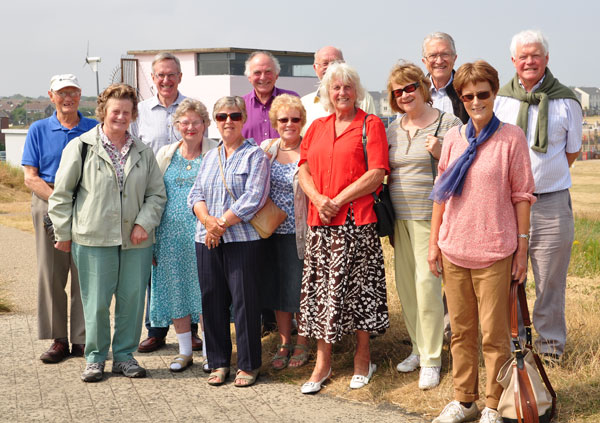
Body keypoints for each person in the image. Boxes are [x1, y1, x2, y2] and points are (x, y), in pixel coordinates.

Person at [427, 61, 535, 423]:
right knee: (460, 332)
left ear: (494, 93)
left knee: (494, 335)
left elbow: (522, 196)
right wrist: (433, 244)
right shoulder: (454, 139)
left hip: (495, 250)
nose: (476, 101)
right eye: (468, 95)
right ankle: (465, 400)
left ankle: (494, 404)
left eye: (483, 94)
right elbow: (441, 194)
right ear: (461, 97)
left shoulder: (511, 138)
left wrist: (522, 248)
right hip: (454, 249)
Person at [48, 83, 167, 382]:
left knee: (131, 300)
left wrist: (144, 223)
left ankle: (124, 357)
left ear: (133, 115)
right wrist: (63, 232)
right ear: (103, 112)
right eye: (116, 111)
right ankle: (95, 358)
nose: (121, 117)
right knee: (96, 302)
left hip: (135, 240)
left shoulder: (143, 151)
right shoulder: (82, 146)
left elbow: (157, 195)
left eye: (127, 112)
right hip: (93, 238)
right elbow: (61, 195)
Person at [297, 62, 389, 394]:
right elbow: (303, 167)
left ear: (357, 91)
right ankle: (323, 363)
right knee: (323, 294)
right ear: (327, 93)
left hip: (357, 221)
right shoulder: (317, 126)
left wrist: (338, 198)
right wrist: (319, 199)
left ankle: (363, 358)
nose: (342, 93)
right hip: (321, 224)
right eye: (335, 87)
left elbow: (377, 172)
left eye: (348, 87)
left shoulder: (371, 124)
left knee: (360, 292)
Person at [494, 29, 582, 365]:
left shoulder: (566, 100)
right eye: (523, 56)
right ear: (513, 61)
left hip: (551, 204)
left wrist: (541, 177)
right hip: (508, 204)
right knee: (509, 279)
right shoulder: (500, 99)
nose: (529, 61)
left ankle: (549, 350)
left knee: (549, 282)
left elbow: (571, 152)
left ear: (546, 59)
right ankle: (516, 346)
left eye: (536, 55)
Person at [385, 62, 462, 390]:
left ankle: (432, 359)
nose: (405, 95)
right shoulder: (392, 128)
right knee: (406, 287)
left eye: (410, 87)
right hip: (398, 219)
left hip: (431, 217)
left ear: (423, 86)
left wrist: (442, 151)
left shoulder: (449, 123)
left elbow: (466, 167)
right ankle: (418, 347)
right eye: (398, 91)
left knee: (428, 287)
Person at [188, 96, 270, 388]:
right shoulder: (210, 156)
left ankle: (248, 364)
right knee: (212, 301)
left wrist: (220, 224)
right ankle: (219, 361)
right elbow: (195, 194)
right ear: (215, 120)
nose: (228, 121)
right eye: (222, 116)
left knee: (245, 302)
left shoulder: (255, 155)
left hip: (242, 240)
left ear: (244, 117)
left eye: (234, 115)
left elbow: (254, 198)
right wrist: (209, 222)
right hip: (207, 239)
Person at [22, 74, 97, 363]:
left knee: (85, 275)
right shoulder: (38, 129)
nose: (68, 98)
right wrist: (60, 202)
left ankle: (81, 339)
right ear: (51, 96)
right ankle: (59, 340)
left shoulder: (93, 128)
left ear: (80, 96)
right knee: (51, 274)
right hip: (48, 202)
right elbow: (30, 177)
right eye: (62, 93)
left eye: (74, 92)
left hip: (87, 206)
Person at [131, 52, 202, 353]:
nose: (166, 79)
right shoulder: (141, 111)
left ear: (180, 77)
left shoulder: (191, 109)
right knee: (157, 264)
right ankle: (156, 330)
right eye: (160, 74)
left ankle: (193, 331)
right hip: (151, 195)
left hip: (186, 195)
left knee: (192, 264)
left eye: (171, 74)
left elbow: (200, 149)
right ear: (152, 77)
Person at [151, 98, 218, 372]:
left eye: (196, 122)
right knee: (176, 290)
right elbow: (154, 195)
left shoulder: (215, 152)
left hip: (204, 235)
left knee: (207, 293)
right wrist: (153, 239)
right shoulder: (166, 153)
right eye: (184, 122)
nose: (190, 127)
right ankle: (184, 351)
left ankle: (211, 353)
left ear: (206, 124)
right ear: (176, 125)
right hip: (169, 236)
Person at [260, 94, 309, 370]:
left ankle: (302, 342)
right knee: (279, 289)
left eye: (295, 119)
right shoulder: (267, 148)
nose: (289, 124)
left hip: (301, 231)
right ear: (275, 122)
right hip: (271, 232)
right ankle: (283, 342)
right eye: (284, 119)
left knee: (300, 289)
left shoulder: (309, 149)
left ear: (302, 121)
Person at [300, 46, 376, 135]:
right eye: (325, 63)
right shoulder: (304, 104)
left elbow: (372, 133)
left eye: (335, 63)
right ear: (315, 68)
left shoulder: (363, 99)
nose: (330, 67)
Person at [242, 51, 299, 145]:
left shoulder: (292, 100)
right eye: (257, 73)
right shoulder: (240, 107)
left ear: (276, 75)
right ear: (249, 77)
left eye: (268, 72)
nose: (263, 77)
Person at [422, 32, 469, 124]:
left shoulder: (468, 91)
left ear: (454, 58)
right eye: (433, 55)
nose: (439, 61)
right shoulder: (414, 93)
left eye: (445, 54)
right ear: (424, 61)